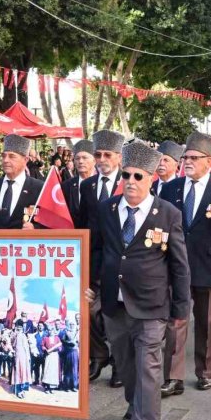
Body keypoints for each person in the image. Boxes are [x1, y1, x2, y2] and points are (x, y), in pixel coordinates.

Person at [90, 139, 191, 420]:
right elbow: (96, 249)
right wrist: (90, 282)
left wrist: (180, 309)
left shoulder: (168, 214)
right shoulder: (106, 209)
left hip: (151, 304)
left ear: (151, 179)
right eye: (126, 175)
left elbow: (179, 265)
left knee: (148, 366)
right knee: (126, 363)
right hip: (114, 303)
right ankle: (135, 408)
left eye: (138, 177)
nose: (130, 182)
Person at [160, 132, 211, 394]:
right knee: (176, 321)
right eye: (186, 158)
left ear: (210, 160)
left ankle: (206, 371)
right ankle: (173, 377)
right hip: (176, 266)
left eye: (195, 158)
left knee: (208, 322)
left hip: (210, 264)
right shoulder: (171, 188)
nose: (188, 162)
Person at [80, 130, 126, 387]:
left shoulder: (129, 180)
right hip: (94, 259)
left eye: (107, 154)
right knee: (88, 310)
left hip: (121, 260)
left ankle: (120, 364)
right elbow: (82, 222)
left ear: (119, 157)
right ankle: (98, 355)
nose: (101, 159)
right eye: (98, 154)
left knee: (116, 314)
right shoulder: (87, 186)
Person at [0, 134, 44, 230]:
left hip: (24, 243)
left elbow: (50, 224)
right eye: (4, 156)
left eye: (12, 156)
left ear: (25, 160)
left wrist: (35, 228)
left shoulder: (39, 188)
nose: (5, 160)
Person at [61, 139, 94, 228]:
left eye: (84, 157)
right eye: (77, 158)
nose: (80, 161)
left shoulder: (103, 183)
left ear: (94, 160)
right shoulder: (66, 186)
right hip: (74, 237)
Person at [11, 319, 33, 398]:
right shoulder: (14, 335)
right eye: (18, 327)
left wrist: (28, 357)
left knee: (23, 372)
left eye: (20, 327)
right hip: (16, 356)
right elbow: (12, 345)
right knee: (16, 372)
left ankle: (22, 389)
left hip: (23, 357)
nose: (19, 328)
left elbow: (26, 348)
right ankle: (17, 389)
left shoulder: (23, 335)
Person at [60, 319, 80, 392]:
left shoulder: (77, 333)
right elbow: (62, 341)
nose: (72, 326)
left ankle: (74, 386)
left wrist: (77, 342)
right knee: (67, 369)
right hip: (68, 352)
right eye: (70, 324)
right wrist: (68, 342)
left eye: (73, 324)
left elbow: (80, 341)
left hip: (75, 352)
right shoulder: (66, 332)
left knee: (74, 369)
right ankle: (67, 386)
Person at [40, 327, 63, 393]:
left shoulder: (57, 338)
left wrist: (59, 349)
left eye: (52, 330)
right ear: (48, 331)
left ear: (54, 331)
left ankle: (52, 388)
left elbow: (60, 346)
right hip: (48, 355)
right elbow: (42, 346)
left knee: (54, 371)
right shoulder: (45, 338)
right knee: (48, 370)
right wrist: (45, 350)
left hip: (55, 356)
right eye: (49, 330)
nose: (51, 332)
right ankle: (47, 387)